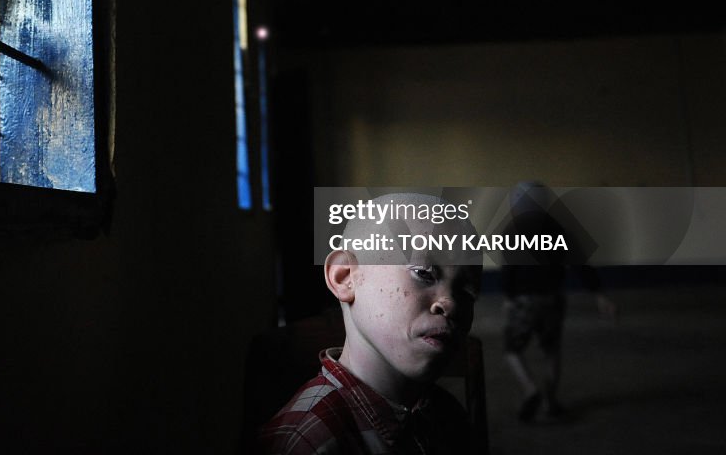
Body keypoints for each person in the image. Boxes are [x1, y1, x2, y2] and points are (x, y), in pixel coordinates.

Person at [259, 193, 484, 454]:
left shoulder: (449, 416)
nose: (451, 303)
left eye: (468, 292)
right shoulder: (306, 441)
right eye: (423, 273)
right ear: (345, 277)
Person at [500, 181, 616, 422]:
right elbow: (580, 264)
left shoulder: (511, 230)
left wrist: (509, 298)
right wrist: (600, 295)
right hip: (552, 299)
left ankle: (530, 389)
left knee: (512, 350)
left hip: (524, 300)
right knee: (551, 352)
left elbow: (508, 271)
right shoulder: (558, 229)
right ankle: (550, 403)